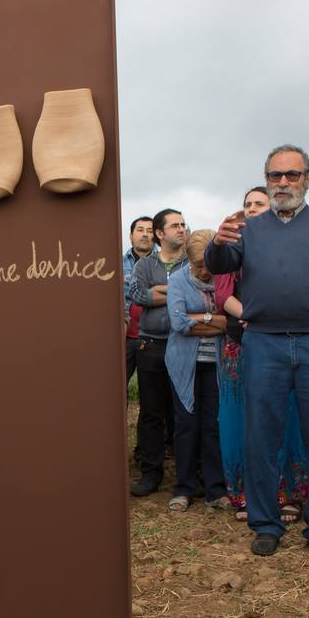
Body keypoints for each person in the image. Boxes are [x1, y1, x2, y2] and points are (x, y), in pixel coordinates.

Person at [205, 144, 309, 557]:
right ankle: (265, 523)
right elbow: (219, 266)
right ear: (267, 179)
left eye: (292, 175)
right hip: (265, 344)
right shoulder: (249, 229)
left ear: (308, 178)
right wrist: (218, 243)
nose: (284, 183)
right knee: (261, 438)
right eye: (276, 176)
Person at [216, 187, 309, 523]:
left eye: (259, 203)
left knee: (285, 420)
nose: (253, 208)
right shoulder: (230, 245)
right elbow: (222, 294)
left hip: (284, 345)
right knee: (239, 421)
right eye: (248, 204)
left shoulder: (293, 242)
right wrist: (251, 313)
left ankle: (288, 495)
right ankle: (245, 495)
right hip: (239, 345)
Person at [127, 208, 189, 497]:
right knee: (151, 412)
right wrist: (177, 291)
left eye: (183, 224)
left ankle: (187, 476)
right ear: (160, 234)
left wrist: (161, 291)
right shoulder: (144, 265)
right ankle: (150, 473)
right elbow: (139, 295)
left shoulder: (191, 263)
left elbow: (197, 296)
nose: (182, 229)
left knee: (183, 410)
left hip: (183, 344)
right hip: (150, 344)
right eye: (175, 225)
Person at [164, 230, 227, 511]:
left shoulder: (225, 278)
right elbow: (177, 324)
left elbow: (232, 323)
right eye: (198, 265)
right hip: (184, 365)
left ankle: (216, 489)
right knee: (186, 426)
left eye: (208, 264)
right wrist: (214, 319)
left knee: (213, 425)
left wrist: (197, 320)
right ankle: (185, 487)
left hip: (217, 364)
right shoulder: (177, 280)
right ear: (188, 261)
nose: (204, 271)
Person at [122, 216, 154, 387]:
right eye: (140, 230)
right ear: (131, 236)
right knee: (117, 387)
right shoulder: (118, 262)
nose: (145, 235)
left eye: (149, 231)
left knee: (152, 390)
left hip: (151, 337)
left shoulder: (162, 263)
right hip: (125, 336)